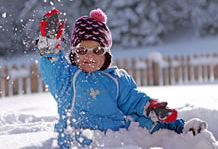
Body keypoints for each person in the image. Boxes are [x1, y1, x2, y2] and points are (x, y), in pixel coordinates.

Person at [36, 8, 207, 148]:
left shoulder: (115, 79)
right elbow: (53, 70)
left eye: (97, 50)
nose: (89, 55)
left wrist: (151, 107)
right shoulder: (67, 78)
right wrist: (50, 51)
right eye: (82, 50)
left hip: (117, 138)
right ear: (73, 54)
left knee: (144, 121)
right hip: (77, 140)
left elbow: (133, 101)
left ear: (106, 55)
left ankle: (182, 130)